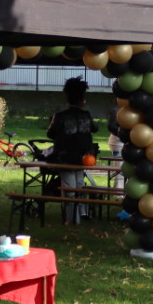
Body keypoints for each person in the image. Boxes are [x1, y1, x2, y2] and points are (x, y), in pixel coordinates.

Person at [45, 77, 97, 223]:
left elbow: (50, 133)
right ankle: (81, 214)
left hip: (65, 157)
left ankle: (71, 219)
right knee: (80, 185)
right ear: (81, 99)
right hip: (84, 157)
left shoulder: (59, 116)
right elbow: (95, 128)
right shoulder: (86, 115)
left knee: (69, 188)